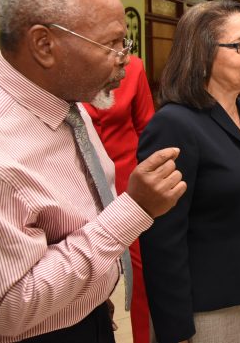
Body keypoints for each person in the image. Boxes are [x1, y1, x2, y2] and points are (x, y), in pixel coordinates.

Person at [0, 0, 185, 343]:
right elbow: (9, 310)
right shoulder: (2, 151)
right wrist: (133, 210)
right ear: (45, 45)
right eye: (111, 44)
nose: (125, 58)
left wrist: (91, 297)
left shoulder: (68, 101)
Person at [138, 0, 240, 343]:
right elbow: (161, 238)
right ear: (201, 53)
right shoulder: (174, 125)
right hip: (201, 306)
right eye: (239, 45)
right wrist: (176, 330)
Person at [83, 56, 155, 343]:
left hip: (129, 185)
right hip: (79, 182)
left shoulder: (134, 67)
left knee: (142, 274)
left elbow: (146, 128)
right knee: (88, 270)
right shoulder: (64, 69)